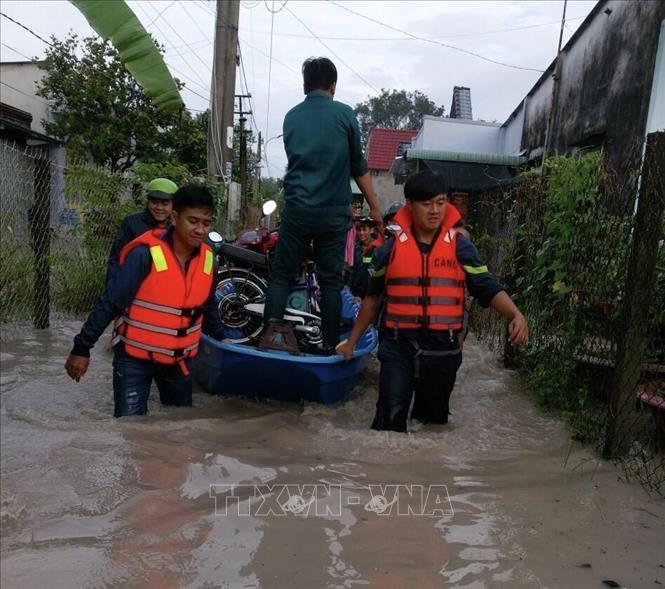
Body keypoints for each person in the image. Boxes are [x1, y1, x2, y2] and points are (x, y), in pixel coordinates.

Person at [337, 170, 528, 433]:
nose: (435, 210)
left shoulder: (460, 247)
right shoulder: (390, 249)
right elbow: (372, 298)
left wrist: (515, 314)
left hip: (442, 348)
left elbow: (487, 286)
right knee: (388, 424)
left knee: (432, 427)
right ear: (410, 206)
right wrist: (351, 342)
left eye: (440, 202)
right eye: (427, 204)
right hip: (398, 345)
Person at [65, 185, 225, 417]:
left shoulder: (209, 261)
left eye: (206, 223)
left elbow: (207, 307)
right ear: (174, 218)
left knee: (180, 431)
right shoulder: (145, 254)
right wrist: (81, 348)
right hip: (134, 360)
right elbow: (111, 302)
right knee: (131, 430)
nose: (200, 230)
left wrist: (223, 339)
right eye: (193, 221)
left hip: (178, 362)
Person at [261, 56, 382, 353]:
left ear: (305, 86)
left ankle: (270, 340)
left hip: (298, 210)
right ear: (333, 86)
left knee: (281, 276)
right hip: (332, 215)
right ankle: (330, 347)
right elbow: (358, 166)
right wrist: (375, 208)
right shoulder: (345, 115)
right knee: (330, 282)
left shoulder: (291, 117)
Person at [106, 177, 178, 283]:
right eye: (154, 202)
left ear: (174, 205)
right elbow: (115, 258)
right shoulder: (131, 223)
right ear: (148, 201)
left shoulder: (178, 227)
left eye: (165, 204)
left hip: (166, 284)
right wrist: (111, 289)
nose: (159, 207)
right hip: (133, 283)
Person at [348, 216, 379, 300]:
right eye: (359, 230)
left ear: (371, 230)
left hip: (369, 294)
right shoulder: (355, 248)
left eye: (364, 229)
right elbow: (352, 269)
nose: (361, 233)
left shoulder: (376, 249)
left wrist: (360, 295)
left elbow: (368, 274)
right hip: (355, 293)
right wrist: (348, 286)